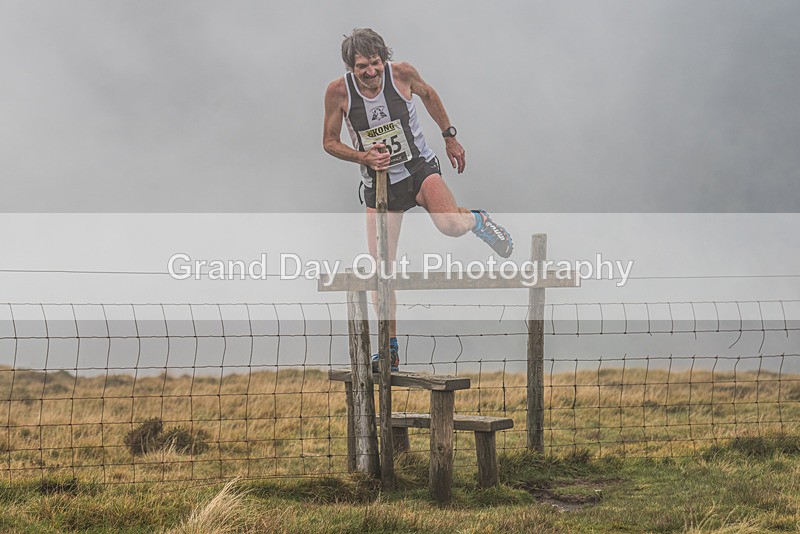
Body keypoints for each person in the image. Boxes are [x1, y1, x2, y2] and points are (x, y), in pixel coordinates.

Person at [323, 28, 513, 371]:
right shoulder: (338, 92)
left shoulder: (403, 74)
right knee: (382, 271)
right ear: (351, 67)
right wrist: (363, 157)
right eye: (363, 66)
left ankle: (477, 220)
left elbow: (429, 95)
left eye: (376, 64)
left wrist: (449, 137)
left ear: (385, 59)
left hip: (418, 168)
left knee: (451, 225)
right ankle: (389, 349)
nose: (371, 72)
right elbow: (329, 142)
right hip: (380, 185)